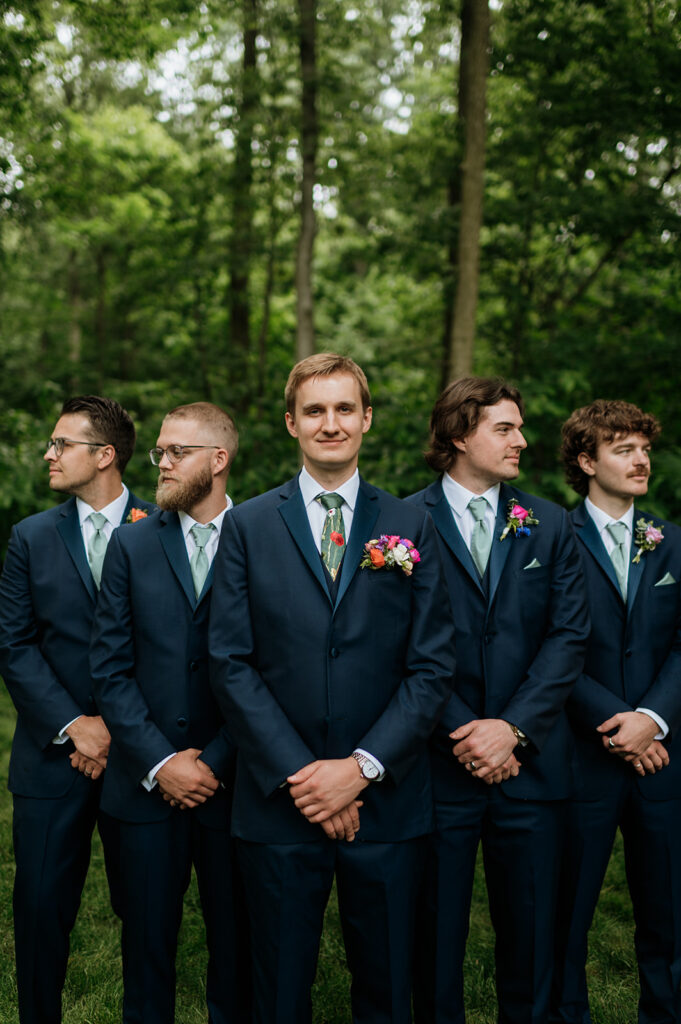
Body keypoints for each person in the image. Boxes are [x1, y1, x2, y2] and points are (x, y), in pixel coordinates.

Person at [209, 353, 455, 1024]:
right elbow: (230, 660)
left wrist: (361, 769)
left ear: (366, 419)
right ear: (291, 423)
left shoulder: (411, 524)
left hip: (387, 802)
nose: (330, 422)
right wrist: (304, 776)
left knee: (387, 987)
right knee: (278, 989)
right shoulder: (247, 526)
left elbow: (431, 664)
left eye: (344, 408)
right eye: (314, 410)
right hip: (280, 805)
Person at [408, 376, 589, 1024]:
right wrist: (466, 732)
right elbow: (397, 645)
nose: (521, 440)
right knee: (432, 940)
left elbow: (569, 637)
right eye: (504, 428)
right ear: (459, 435)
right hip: (436, 765)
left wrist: (510, 729)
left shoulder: (550, 525)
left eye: (517, 427)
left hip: (532, 766)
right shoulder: (403, 523)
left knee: (533, 940)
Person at [89, 402, 249, 1024]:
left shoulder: (262, 535)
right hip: (145, 786)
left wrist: (214, 759)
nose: (161, 463)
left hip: (235, 783)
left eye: (176, 452)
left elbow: (273, 669)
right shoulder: (130, 544)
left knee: (235, 946)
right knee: (145, 947)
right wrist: (160, 761)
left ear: (218, 460)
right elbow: (110, 668)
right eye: (160, 451)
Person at [0, 395, 154, 1024]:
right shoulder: (30, 537)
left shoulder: (163, 528)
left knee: (145, 908)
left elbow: (178, 648)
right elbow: (14, 643)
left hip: (139, 757)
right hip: (50, 756)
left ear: (105, 455)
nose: (49, 454)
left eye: (62, 444)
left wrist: (120, 731)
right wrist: (75, 726)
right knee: (39, 906)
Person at [551, 399, 681, 1024]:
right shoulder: (553, 539)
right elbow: (550, 649)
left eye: (644, 449)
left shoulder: (671, 541)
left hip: (662, 760)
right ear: (586, 459)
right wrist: (618, 722)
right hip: (581, 758)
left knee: (670, 913)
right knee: (567, 914)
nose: (641, 460)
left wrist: (653, 718)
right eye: (624, 449)